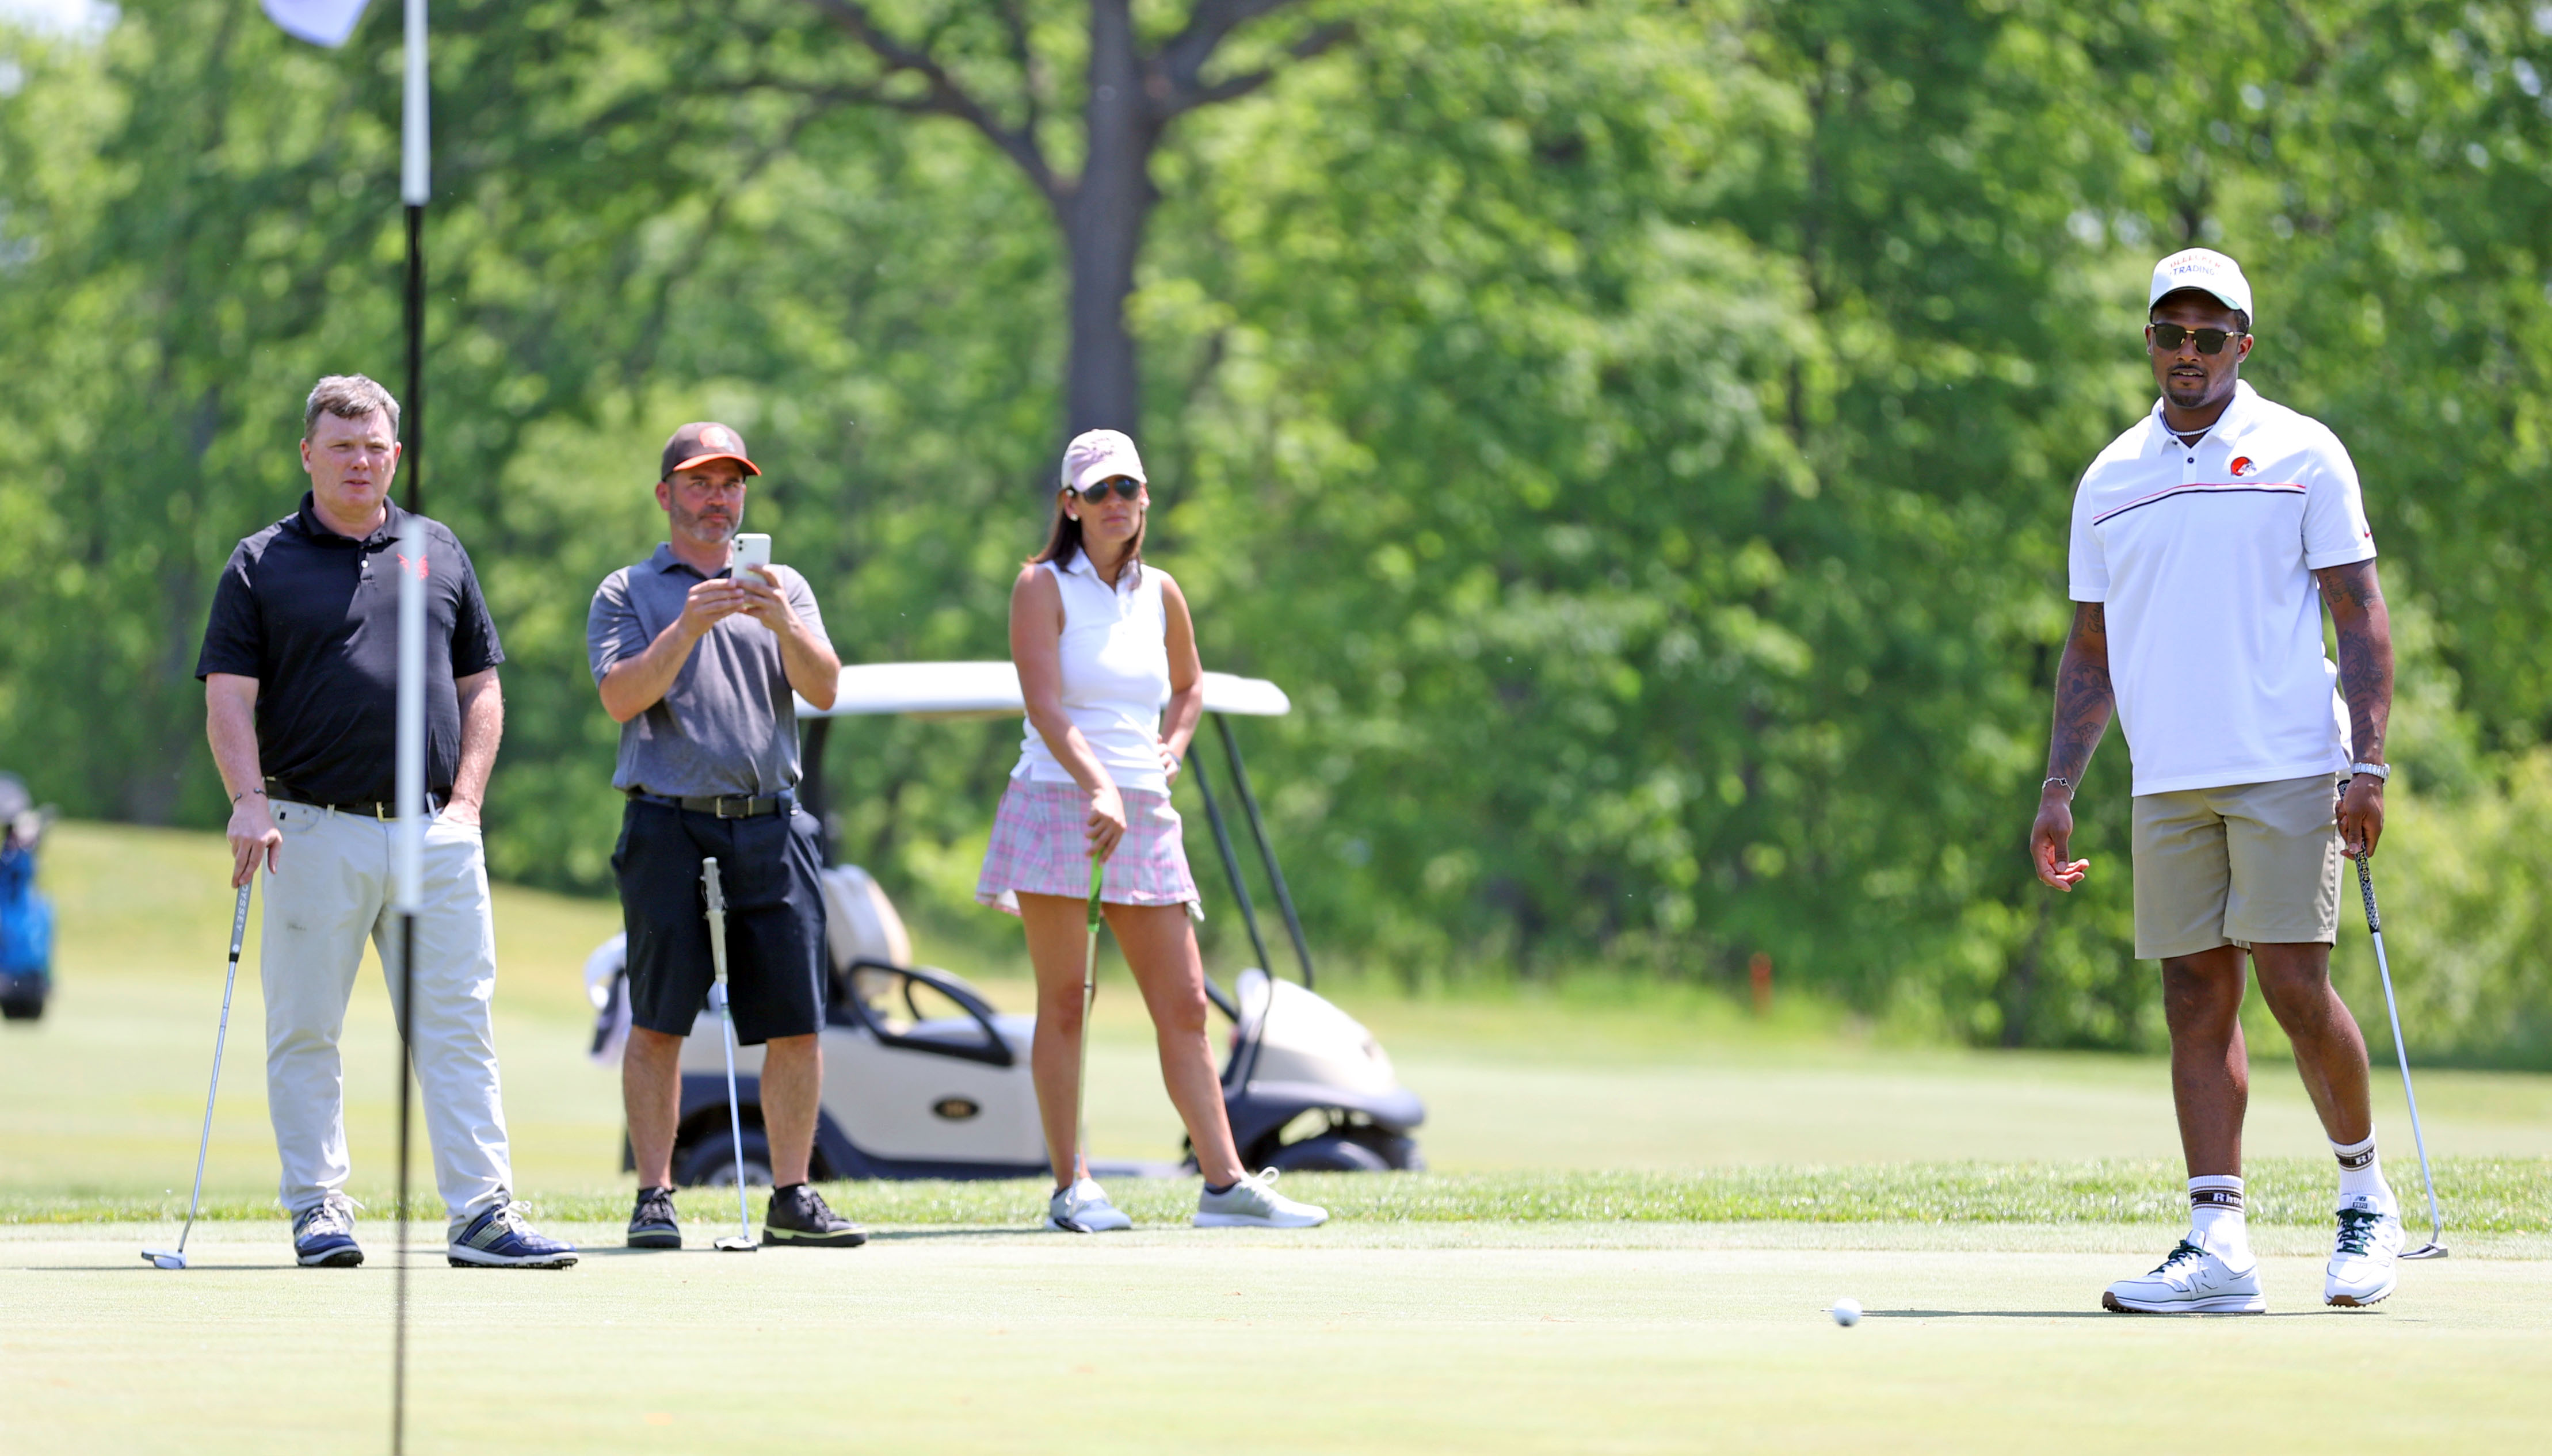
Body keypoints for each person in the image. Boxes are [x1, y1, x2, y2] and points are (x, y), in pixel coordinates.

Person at [2032, 250, 2403, 1312]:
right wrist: (2061, 787)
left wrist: (2368, 760)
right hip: (2169, 777)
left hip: (2289, 760)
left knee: (2293, 982)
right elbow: (2090, 651)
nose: (2185, 354)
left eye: (2208, 336)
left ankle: (2364, 1202)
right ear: (2149, 341)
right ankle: (2219, 1243)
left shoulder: (2304, 453)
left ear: (2243, 343)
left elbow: (2360, 613)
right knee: (2195, 994)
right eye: (2168, 334)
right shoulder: (2109, 479)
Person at [198, 374, 577, 1269]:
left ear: (395, 454)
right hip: (309, 825)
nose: (360, 462)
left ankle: (483, 1215)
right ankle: (319, 1207)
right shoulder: (261, 562)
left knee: (458, 1025)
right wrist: (247, 799)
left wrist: (469, 804)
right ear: (308, 454)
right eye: (341, 446)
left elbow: (481, 686)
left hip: (434, 833)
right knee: (305, 1028)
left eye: (374, 447)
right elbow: (228, 699)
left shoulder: (436, 548)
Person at [978, 429, 1327, 1232]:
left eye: (1127, 490)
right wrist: (1098, 784)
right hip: (1059, 802)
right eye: (1097, 492)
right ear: (1070, 504)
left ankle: (1224, 1183)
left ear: (1144, 502)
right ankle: (1073, 1185)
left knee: (1186, 1005)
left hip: (1140, 808)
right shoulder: (1041, 586)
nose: (1114, 504)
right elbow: (1044, 705)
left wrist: (1167, 752)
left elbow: (1189, 684)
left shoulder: (1161, 591)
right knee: (1067, 1001)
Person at [589, 421, 863, 1249]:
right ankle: (654, 1197)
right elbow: (621, 698)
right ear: (667, 494)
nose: (719, 499)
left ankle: (791, 1195)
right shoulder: (628, 590)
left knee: (796, 1020)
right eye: (702, 483)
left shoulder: (783, 586)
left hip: (770, 824)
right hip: (667, 821)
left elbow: (825, 688)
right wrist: (687, 627)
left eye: (732, 484)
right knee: (660, 1019)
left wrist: (781, 622)